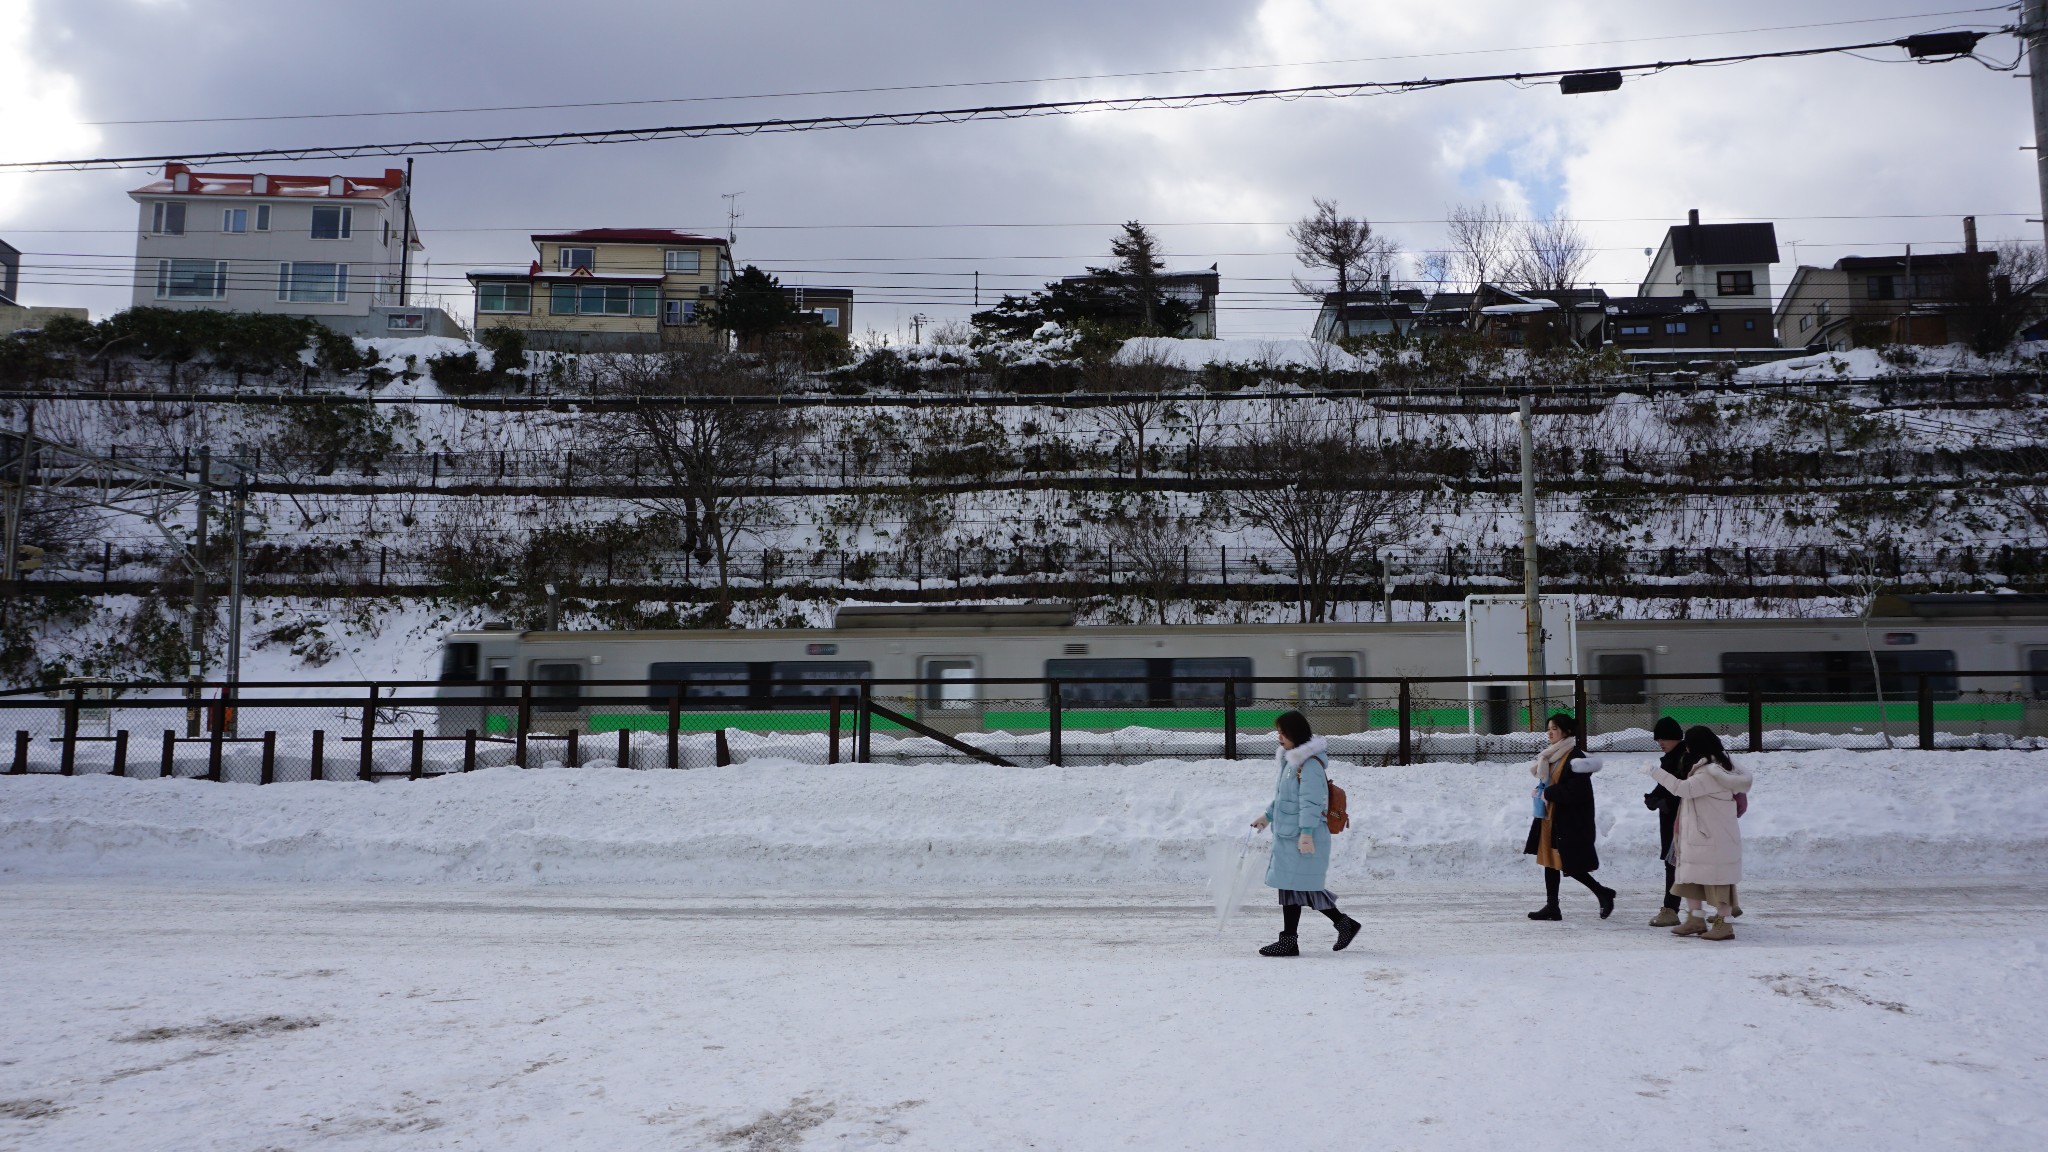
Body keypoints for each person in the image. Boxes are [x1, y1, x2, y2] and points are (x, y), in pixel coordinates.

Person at [1250, 711, 1361, 956]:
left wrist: (1307, 833)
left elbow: (1311, 803)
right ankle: (1306, 935)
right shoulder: (1290, 761)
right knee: (1293, 887)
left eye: (1283, 732)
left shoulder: (1309, 764)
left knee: (1301, 887)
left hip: (1302, 837)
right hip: (1290, 835)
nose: (1279, 736)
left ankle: (1309, 935)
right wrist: (1267, 817)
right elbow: (1283, 798)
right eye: (1278, 731)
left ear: (1296, 733)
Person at [1640, 726, 1753, 941]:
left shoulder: (1712, 772)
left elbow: (1684, 789)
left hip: (1713, 838)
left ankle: (1724, 925)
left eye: (1689, 742)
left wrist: (1655, 772)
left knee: (1719, 883)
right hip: (1701, 837)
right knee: (1690, 879)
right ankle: (1695, 919)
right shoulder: (1712, 767)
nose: (1687, 746)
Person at [1524, 712, 1616, 921]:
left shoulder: (1575, 758)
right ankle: (1552, 906)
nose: (1550, 732)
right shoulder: (1552, 755)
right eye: (1548, 728)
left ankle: (1603, 892)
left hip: (1569, 820)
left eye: (1554, 729)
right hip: (1551, 817)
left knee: (1569, 864)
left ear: (1566, 732)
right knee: (1549, 861)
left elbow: (1577, 792)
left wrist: (1548, 793)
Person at [1642, 717, 1690, 928]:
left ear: (1676, 737)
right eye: (1658, 739)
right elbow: (1665, 787)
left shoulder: (1683, 759)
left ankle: (1671, 909)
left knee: (1675, 863)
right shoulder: (1672, 758)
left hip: (1682, 820)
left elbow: (1682, 790)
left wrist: (1661, 801)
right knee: (1686, 863)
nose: (1660, 742)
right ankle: (1725, 905)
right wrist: (1653, 798)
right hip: (1674, 818)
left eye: (1664, 738)